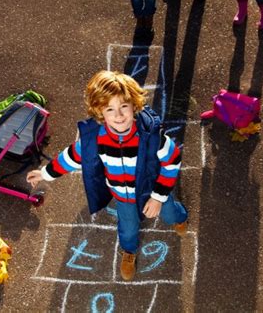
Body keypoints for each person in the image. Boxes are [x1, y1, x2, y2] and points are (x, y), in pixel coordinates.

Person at [27, 70, 188, 281]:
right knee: (128, 228)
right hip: (123, 196)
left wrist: (158, 197)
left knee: (169, 212)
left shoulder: (150, 137)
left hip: (151, 189)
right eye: (110, 109)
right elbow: (72, 157)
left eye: (124, 107)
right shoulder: (95, 139)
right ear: (100, 112)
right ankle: (129, 251)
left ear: (134, 106)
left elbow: (172, 161)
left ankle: (179, 217)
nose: (119, 116)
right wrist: (45, 174)